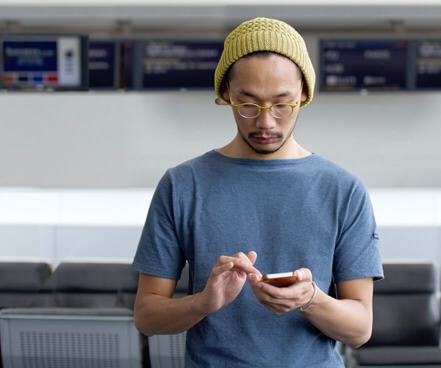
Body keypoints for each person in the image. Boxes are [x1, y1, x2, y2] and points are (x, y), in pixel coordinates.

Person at [131, 17, 383, 367]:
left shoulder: (343, 190)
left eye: (283, 104)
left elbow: (360, 328)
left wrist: (310, 299)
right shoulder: (182, 185)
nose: (266, 122)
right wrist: (203, 302)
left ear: (305, 96)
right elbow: (146, 316)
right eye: (248, 104)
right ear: (225, 95)